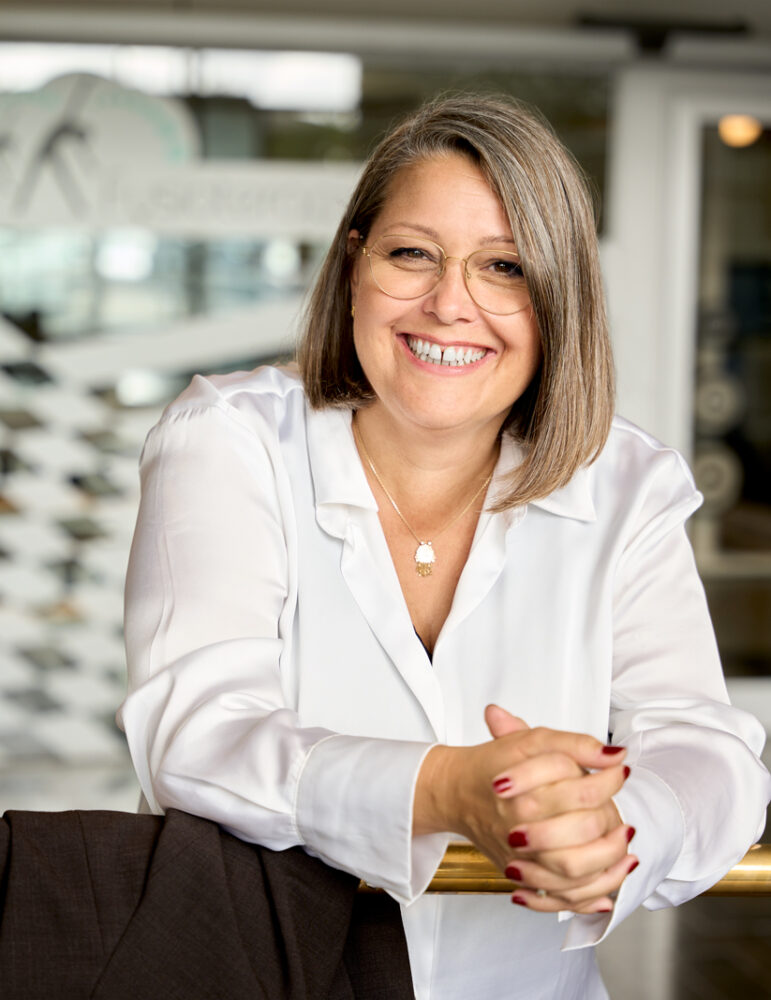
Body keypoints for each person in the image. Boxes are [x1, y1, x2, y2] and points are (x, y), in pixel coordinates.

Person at [118, 94, 770, 1000]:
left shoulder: (626, 483)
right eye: (411, 254)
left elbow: (707, 751)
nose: (450, 304)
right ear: (354, 265)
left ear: (558, 301)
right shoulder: (228, 438)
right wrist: (447, 789)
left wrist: (612, 830)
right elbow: (196, 736)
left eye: (504, 267)